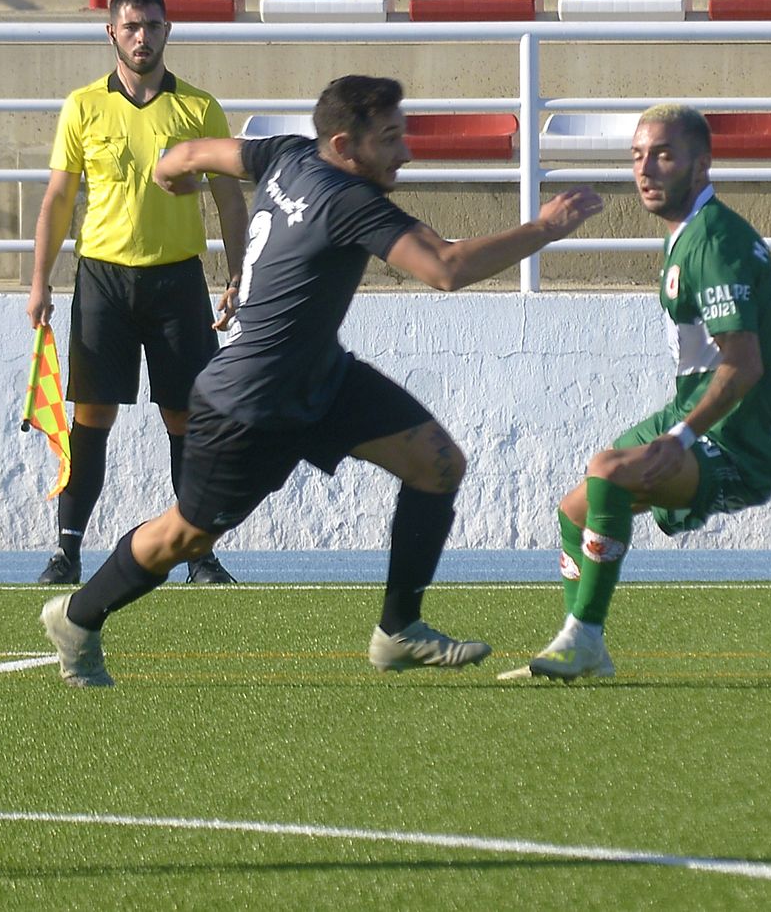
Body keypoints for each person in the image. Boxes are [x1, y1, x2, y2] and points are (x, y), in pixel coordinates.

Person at [40, 74, 604, 687]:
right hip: (248, 402)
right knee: (187, 536)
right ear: (344, 143)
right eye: (390, 138)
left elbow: (198, 151)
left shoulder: (284, 152)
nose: (405, 151)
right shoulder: (347, 200)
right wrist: (544, 228)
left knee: (438, 463)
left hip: (320, 377)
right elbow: (445, 268)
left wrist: (172, 168)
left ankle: (398, 630)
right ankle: (78, 615)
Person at [503, 104, 771, 682]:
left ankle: (585, 634)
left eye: (663, 154)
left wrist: (683, 436)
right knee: (576, 510)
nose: (646, 170)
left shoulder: (715, 241)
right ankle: (582, 645)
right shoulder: (686, 236)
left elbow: (745, 366)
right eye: (637, 156)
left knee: (607, 471)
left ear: (702, 163)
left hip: (738, 440)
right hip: (693, 414)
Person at [27, 0, 248, 588]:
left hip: (178, 280)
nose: (141, 36)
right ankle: (67, 551)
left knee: (188, 419)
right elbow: (58, 197)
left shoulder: (199, 109)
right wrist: (39, 282)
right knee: (91, 417)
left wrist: (237, 275)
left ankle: (199, 555)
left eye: (152, 25)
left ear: (167, 31)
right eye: (130, 26)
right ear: (111, 34)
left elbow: (230, 199)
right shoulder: (82, 106)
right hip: (102, 280)